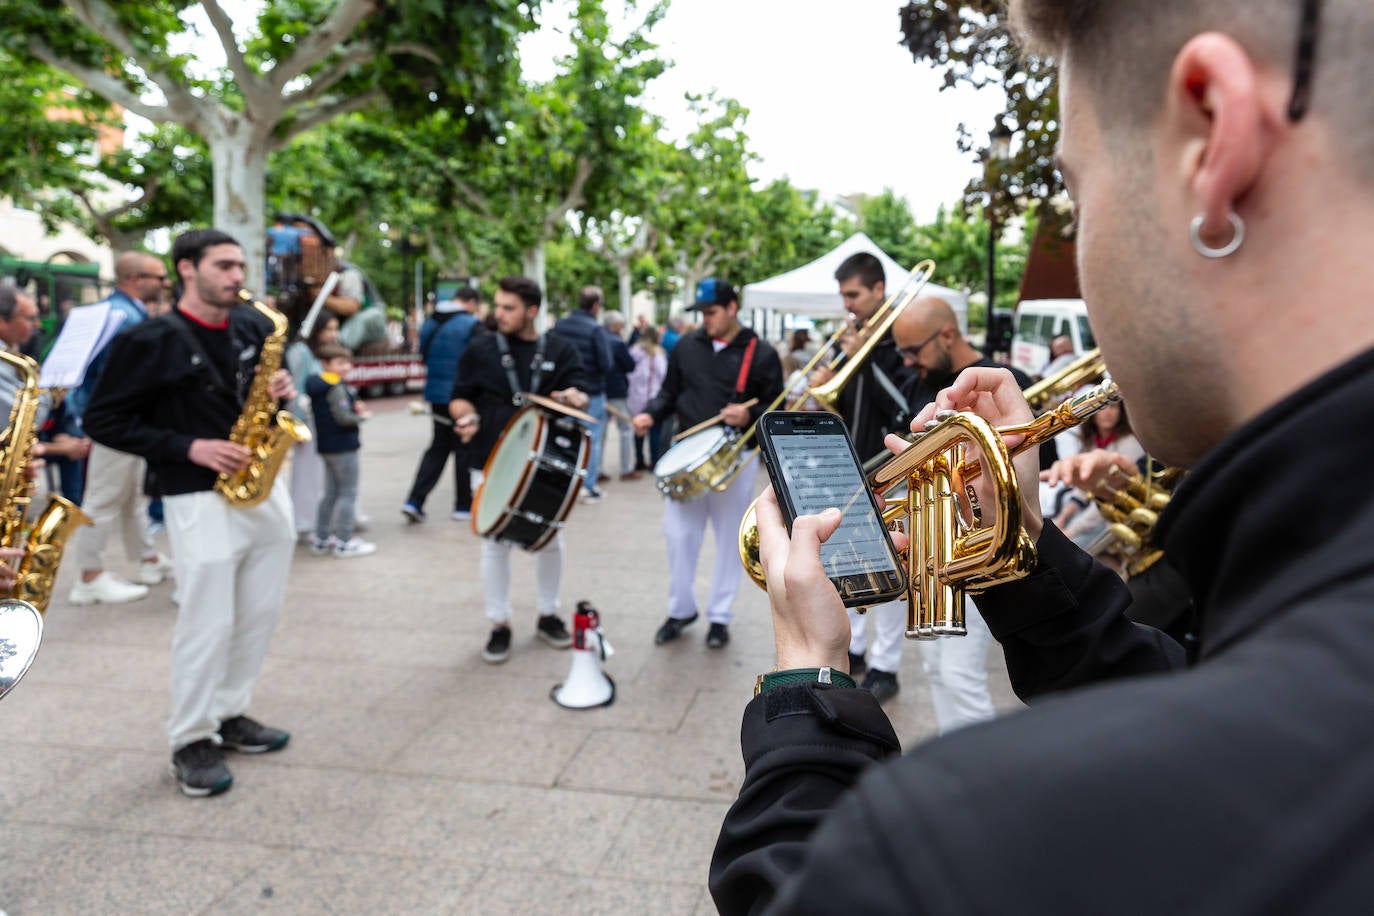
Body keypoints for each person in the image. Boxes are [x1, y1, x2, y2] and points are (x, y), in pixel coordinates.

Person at [711, 0, 1374, 909]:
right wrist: (1018, 557)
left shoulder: (960, 836)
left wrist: (806, 691)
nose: (1081, 243)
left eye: (1076, 190)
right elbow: (1184, 709)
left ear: (1213, 134)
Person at [83, 228, 295, 798]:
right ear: (186, 269)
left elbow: (260, 392)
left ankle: (230, 713)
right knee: (208, 617)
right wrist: (189, 446)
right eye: (224, 265)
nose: (237, 276)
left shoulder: (253, 325)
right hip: (192, 488)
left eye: (240, 265)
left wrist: (281, 389)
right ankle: (190, 738)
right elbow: (102, 422)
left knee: (259, 609)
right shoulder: (148, 340)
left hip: (258, 481)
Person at [633, 278, 783, 650]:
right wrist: (650, 414)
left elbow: (776, 409)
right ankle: (680, 608)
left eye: (711, 312)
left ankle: (719, 615)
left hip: (733, 458)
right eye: (701, 313)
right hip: (688, 454)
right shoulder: (686, 346)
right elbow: (669, 392)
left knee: (730, 537)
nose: (705, 319)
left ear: (732, 308)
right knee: (678, 536)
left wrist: (748, 416)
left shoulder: (760, 352)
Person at [449, 275, 586, 665]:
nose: (499, 313)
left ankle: (548, 614)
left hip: (546, 462)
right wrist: (467, 416)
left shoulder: (560, 349)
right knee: (493, 545)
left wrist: (574, 396)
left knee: (549, 539)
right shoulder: (479, 348)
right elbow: (459, 398)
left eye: (508, 307)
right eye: (498, 305)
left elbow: (580, 393)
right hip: (489, 457)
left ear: (532, 311)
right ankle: (499, 623)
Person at [808, 254, 914, 704]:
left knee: (889, 561)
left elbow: (905, 407)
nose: (848, 305)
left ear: (877, 289)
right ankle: (857, 650)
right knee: (848, 561)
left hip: (887, 465)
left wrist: (864, 361)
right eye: (844, 295)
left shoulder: (899, 339)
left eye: (853, 294)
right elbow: (842, 404)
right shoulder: (849, 338)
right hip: (846, 465)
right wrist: (826, 384)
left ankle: (887, 666)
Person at [66, 251, 176, 606]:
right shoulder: (126, 317)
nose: (165, 284)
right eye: (159, 278)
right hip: (119, 424)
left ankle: (146, 559)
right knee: (104, 500)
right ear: (134, 279)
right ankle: (89, 577)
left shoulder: (111, 311)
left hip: (119, 422)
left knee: (132, 497)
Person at [402, 287, 480, 522]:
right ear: (472, 302)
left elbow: (423, 354)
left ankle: (414, 501)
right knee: (464, 447)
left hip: (436, 394)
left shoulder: (430, 322)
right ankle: (463, 506)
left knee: (438, 447)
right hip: (462, 395)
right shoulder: (471, 324)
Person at [306, 343, 375, 557]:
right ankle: (345, 541)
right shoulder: (335, 386)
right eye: (340, 363)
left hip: (326, 446)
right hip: (343, 447)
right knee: (347, 493)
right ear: (324, 364)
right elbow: (343, 418)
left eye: (347, 362)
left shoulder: (319, 385)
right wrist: (361, 417)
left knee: (330, 493)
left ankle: (321, 537)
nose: (346, 367)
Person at [552, 286, 612, 501]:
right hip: (591, 391)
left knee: (564, 438)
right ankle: (587, 486)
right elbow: (606, 363)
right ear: (595, 306)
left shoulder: (560, 325)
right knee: (591, 439)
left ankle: (563, 483)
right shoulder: (595, 329)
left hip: (565, 393)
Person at [284, 314, 340, 542]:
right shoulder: (301, 352)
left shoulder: (324, 353)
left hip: (326, 425)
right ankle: (305, 522)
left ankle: (324, 520)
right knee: (308, 474)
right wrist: (295, 425)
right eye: (329, 329)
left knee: (325, 475)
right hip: (307, 423)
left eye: (336, 329)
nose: (334, 334)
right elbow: (294, 389)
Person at [601, 310, 639, 481]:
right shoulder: (617, 342)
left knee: (600, 432)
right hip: (616, 390)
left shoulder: (599, 338)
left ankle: (597, 470)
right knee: (625, 429)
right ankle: (626, 468)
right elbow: (629, 365)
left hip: (601, 390)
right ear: (615, 326)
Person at [323, 256, 388, 353]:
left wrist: (321, 297)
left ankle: (339, 349)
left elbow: (351, 307)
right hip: (349, 324)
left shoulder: (348, 272)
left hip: (373, 315)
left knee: (362, 319)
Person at [627, 325, 667, 470]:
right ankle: (654, 460)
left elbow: (629, 372)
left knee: (638, 429)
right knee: (654, 430)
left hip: (636, 396)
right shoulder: (657, 353)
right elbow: (663, 374)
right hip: (653, 396)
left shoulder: (634, 351)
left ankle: (639, 459)